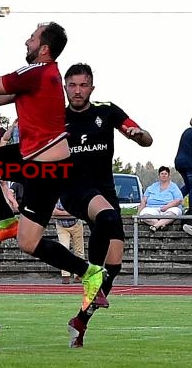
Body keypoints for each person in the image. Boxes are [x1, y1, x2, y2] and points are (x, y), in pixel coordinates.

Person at [0, 23, 107, 318]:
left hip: (45, 168)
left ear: (43, 49)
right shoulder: (42, 76)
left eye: (32, 37)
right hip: (34, 160)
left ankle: (8, 222)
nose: (26, 40)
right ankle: (87, 271)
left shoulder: (38, 71)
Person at [60, 63, 153, 347]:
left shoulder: (106, 110)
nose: (77, 91)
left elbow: (146, 139)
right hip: (74, 190)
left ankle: (80, 322)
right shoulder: (56, 116)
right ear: (65, 87)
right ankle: (91, 275)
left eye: (83, 85)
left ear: (91, 87)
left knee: (114, 265)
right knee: (109, 217)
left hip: (105, 191)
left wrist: (138, 135)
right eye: (72, 85)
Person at [138, 166, 183, 232]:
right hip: (152, 208)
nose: (163, 175)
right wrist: (138, 213)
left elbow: (179, 200)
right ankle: (161, 225)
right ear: (159, 175)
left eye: (165, 174)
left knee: (174, 212)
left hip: (168, 208)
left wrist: (167, 206)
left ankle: (155, 226)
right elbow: (144, 200)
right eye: (162, 174)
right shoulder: (152, 187)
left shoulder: (173, 187)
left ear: (168, 175)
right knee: (144, 215)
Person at [52, 200, 84, 284]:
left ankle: (79, 275)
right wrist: (70, 213)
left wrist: (61, 213)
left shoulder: (76, 195)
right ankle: (65, 275)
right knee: (63, 249)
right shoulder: (55, 196)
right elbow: (53, 212)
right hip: (61, 226)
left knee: (79, 250)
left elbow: (79, 211)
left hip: (76, 224)